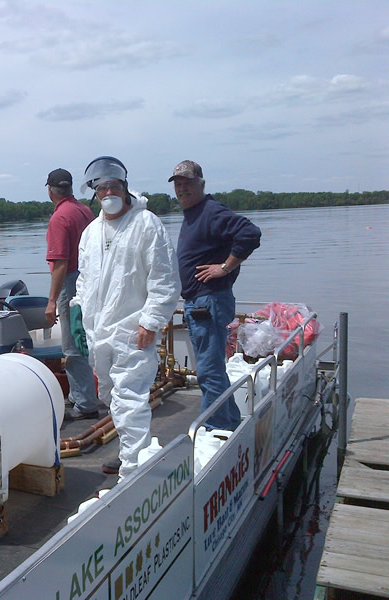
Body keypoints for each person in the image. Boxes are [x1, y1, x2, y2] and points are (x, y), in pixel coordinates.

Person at [72, 156, 180, 480]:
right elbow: (85, 278)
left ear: (124, 187)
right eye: (102, 187)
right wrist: (78, 312)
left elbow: (164, 279)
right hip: (100, 332)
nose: (108, 192)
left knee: (129, 400)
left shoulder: (146, 224)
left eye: (113, 186)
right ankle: (129, 453)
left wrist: (152, 320)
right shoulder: (91, 232)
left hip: (134, 329)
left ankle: (135, 472)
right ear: (95, 192)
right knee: (110, 397)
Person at [170, 160, 262, 431]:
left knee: (210, 373)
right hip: (199, 303)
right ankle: (229, 424)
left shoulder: (211, 211)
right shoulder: (193, 213)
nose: (182, 188)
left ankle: (218, 432)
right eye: (178, 183)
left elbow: (250, 233)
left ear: (201, 183)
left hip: (208, 302)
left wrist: (224, 267)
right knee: (211, 372)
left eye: (187, 182)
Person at [44, 168, 99, 419]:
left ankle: (86, 404)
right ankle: (78, 394)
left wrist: (52, 301)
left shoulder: (59, 218)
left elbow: (61, 264)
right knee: (85, 338)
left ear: (50, 190)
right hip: (90, 282)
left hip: (71, 283)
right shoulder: (84, 211)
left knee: (73, 346)